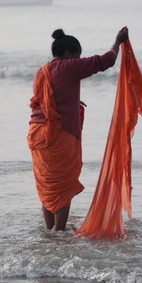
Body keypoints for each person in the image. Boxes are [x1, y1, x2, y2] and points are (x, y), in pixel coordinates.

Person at [28, 26, 128, 230]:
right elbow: (105, 61)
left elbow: (48, 100)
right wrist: (118, 42)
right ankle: (60, 232)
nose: (77, 61)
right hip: (59, 135)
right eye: (76, 57)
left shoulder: (42, 71)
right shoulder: (69, 67)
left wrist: (73, 102)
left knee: (48, 185)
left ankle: (50, 233)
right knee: (63, 185)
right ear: (68, 55)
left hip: (36, 134)